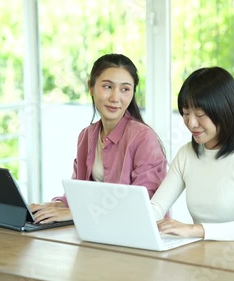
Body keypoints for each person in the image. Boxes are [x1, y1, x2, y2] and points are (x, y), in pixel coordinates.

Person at [30, 53, 167, 223]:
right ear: (91, 87)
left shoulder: (143, 137)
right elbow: (78, 194)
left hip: (138, 237)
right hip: (99, 232)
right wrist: (51, 206)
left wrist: (78, 214)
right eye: (107, 87)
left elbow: (144, 205)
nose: (115, 98)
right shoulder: (87, 136)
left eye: (125, 89)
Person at [151, 66, 234, 241]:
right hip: (200, 256)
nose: (191, 123)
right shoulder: (186, 154)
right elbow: (156, 207)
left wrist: (193, 230)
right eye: (185, 113)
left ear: (224, 111)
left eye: (200, 114)